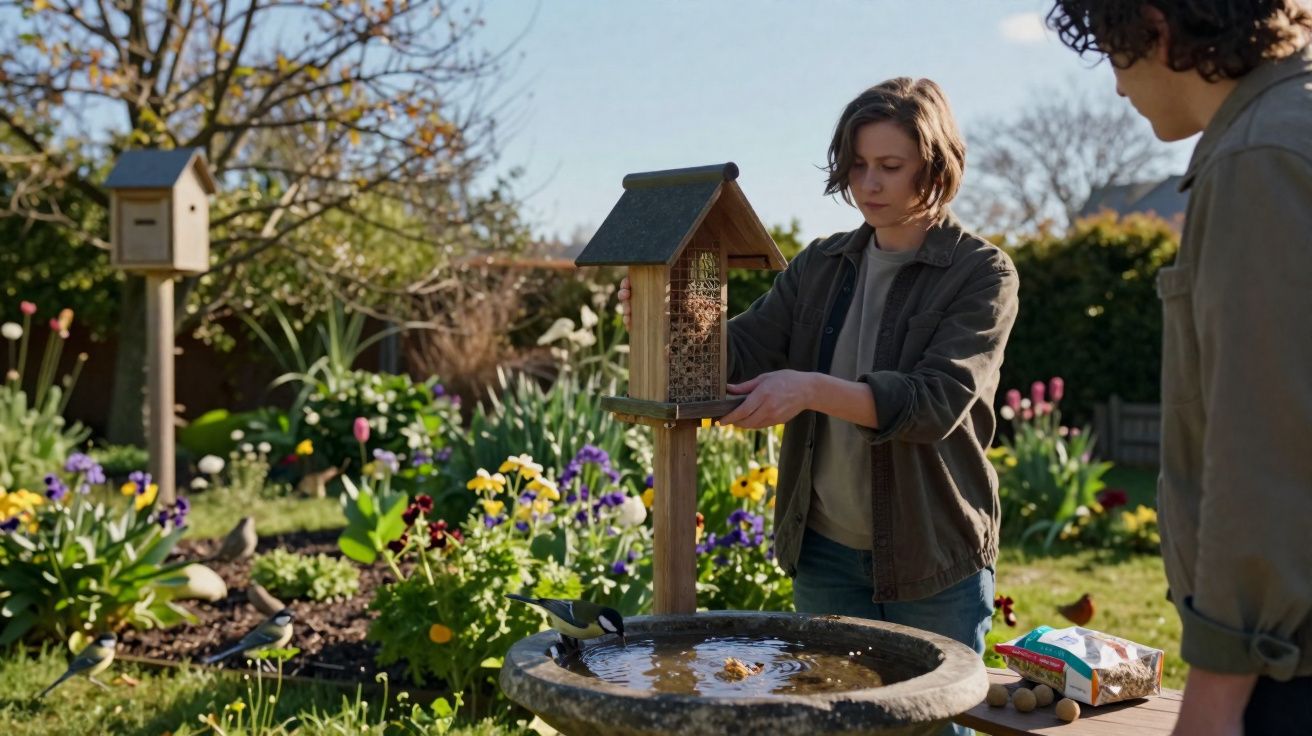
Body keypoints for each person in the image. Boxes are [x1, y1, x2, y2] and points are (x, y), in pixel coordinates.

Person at [620, 77, 1018, 735]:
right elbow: (740, 349)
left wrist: (808, 389)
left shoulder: (981, 273)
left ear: (936, 167)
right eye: (858, 165)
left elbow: (936, 401)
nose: (869, 183)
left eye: (890, 166)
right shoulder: (821, 266)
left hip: (932, 554)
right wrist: (666, 315)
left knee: (935, 728)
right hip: (825, 549)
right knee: (833, 723)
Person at [1044, 3, 1312, 734]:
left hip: (1288, 674)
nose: (1118, 87)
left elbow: (1264, 446)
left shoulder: (1258, 156)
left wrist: (1216, 695)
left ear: (1155, 30)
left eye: (1113, 53)